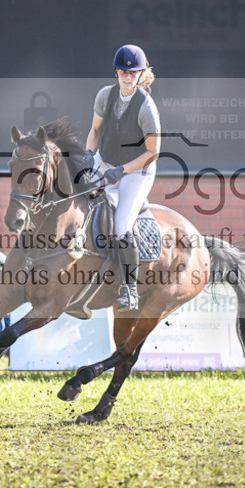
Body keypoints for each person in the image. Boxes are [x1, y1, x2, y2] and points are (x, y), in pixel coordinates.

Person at [84, 44, 160, 310]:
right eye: (124, 72)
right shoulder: (105, 96)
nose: (128, 77)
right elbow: (95, 130)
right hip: (105, 161)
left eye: (134, 73)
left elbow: (153, 151)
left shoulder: (146, 106)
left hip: (138, 170)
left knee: (121, 227)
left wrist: (123, 170)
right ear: (116, 72)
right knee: (77, 198)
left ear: (140, 74)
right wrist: (88, 155)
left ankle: (130, 289)